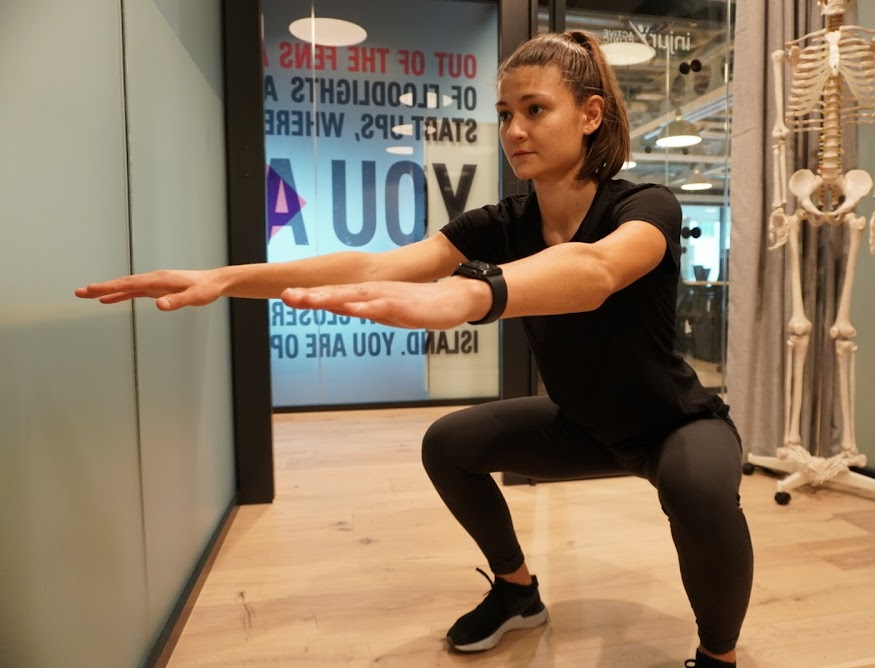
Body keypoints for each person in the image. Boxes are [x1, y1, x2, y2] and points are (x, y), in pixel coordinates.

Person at [76, 30, 752, 668]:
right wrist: (228, 278)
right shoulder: (502, 223)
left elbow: (596, 271)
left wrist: (474, 293)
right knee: (448, 444)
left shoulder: (646, 206)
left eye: (535, 109)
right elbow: (376, 266)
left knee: (697, 490)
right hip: (583, 425)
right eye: (505, 114)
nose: (514, 130)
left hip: (672, 424)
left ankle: (718, 657)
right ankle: (517, 593)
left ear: (590, 115)